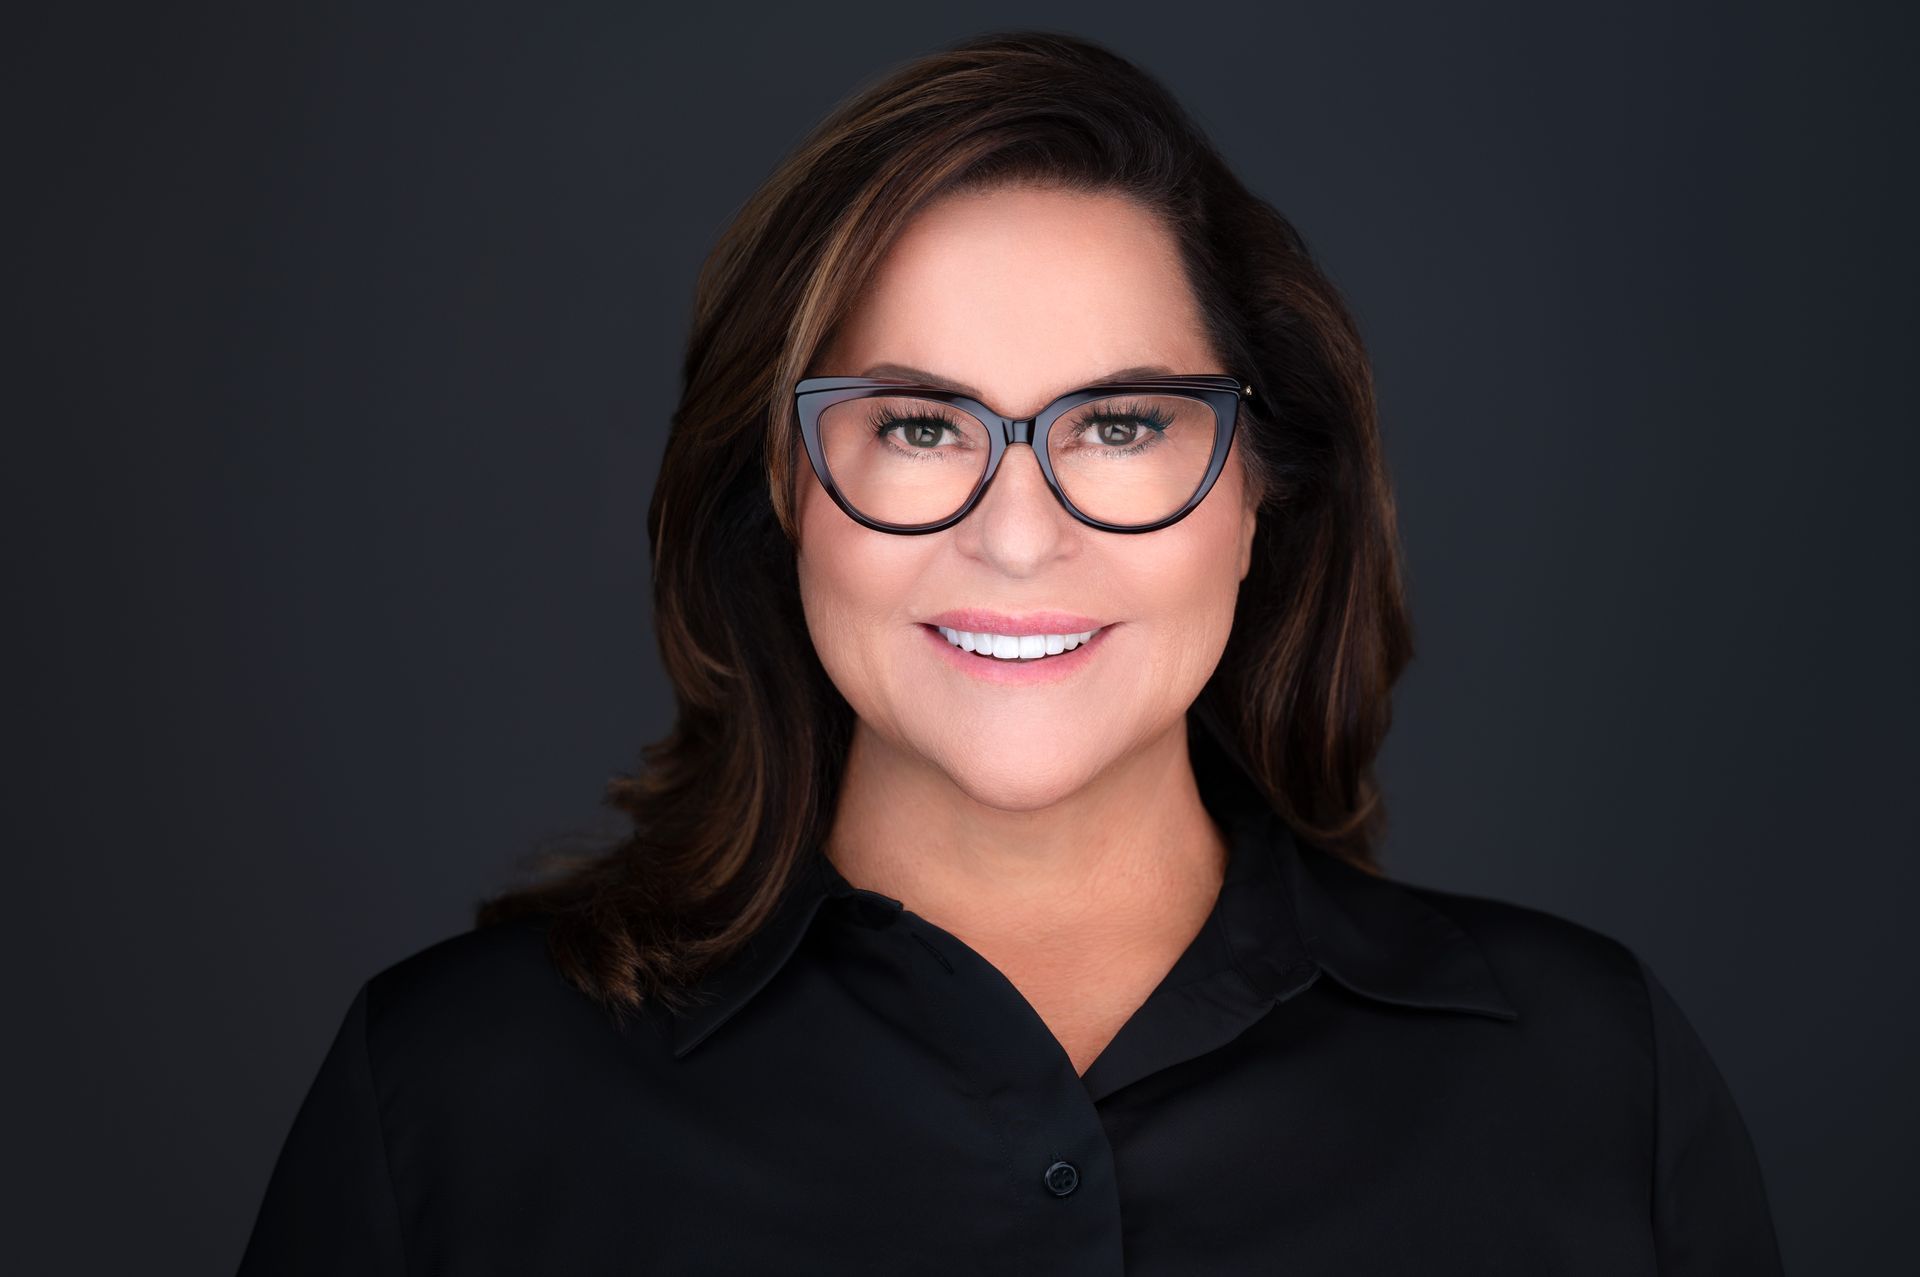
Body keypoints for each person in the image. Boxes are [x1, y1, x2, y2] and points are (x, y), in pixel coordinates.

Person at [236, 30, 1784, 1275]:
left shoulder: (1592, 1077)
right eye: (918, 425)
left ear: (1260, 492)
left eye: (1119, 424)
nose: (1020, 532)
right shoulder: (452, 1100)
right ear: (783, 495)